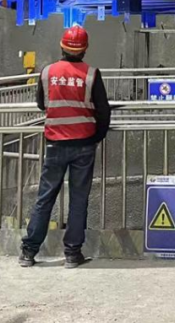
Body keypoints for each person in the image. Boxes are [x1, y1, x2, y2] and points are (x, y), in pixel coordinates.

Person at [19, 25, 111, 268]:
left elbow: (42, 104)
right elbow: (103, 110)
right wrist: (97, 135)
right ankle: (72, 253)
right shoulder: (91, 74)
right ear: (85, 49)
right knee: (78, 200)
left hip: (55, 144)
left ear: (62, 46)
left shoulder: (48, 72)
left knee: (45, 197)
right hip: (84, 145)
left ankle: (28, 252)